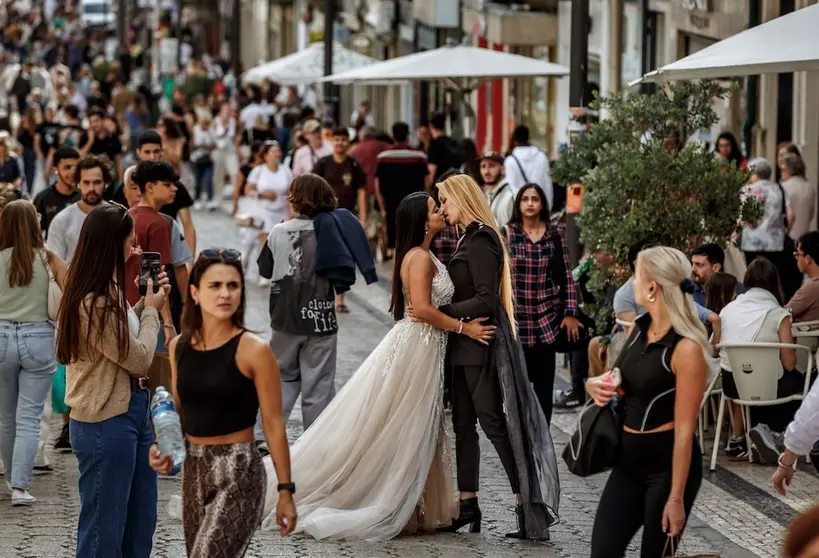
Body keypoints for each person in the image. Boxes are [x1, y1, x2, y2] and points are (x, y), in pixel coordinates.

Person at [258, 190, 494, 540]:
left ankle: (415, 501)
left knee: (415, 423)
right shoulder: (419, 258)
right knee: (403, 423)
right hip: (417, 346)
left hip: (425, 346)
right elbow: (425, 309)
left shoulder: (424, 255)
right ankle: (387, 496)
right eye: (434, 209)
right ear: (421, 220)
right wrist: (465, 327)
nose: (441, 212)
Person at [433, 173, 559, 540]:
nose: (442, 208)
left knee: (493, 425)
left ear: (462, 198)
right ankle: (468, 503)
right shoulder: (466, 238)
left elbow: (488, 299)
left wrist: (444, 310)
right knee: (462, 427)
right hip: (461, 346)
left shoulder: (483, 239)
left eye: (445, 200)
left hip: (479, 344)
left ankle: (527, 505)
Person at [149, 249, 297, 554]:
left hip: (239, 469)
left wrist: (285, 491)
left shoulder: (255, 350)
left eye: (233, 285)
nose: (225, 293)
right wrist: (160, 446)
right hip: (193, 468)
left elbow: (273, 424)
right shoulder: (178, 348)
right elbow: (178, 409)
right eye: (215, 286)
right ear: (195, 293)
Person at [56, 203, 170, 558]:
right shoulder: (92, 299)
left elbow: (120, 338)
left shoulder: (108, 288)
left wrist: (140, 305)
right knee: (105, 528)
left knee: (140, 520)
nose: (135, 248)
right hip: (105, 417)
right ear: (112, 244)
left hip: (133, 411)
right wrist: (152, 310)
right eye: (130, 241)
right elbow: (136, 358)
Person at [586, 246, 708, 557]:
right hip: (628, 463)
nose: (632, 284)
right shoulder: (640, 329)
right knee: (603, 551)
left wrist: (677, 498)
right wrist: (594, 384)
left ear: (652, 287)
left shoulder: (686, 349)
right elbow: (620, 378)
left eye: (636, 276)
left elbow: (685, 431)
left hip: (667, 469)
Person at [0, 200, 67, 505]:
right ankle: (19, 487)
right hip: (38, 338)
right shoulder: (49, 259)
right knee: (29, 416)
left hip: (1, 337)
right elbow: (68, 298)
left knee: (5, 418)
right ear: (34, 223)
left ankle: (8, 478)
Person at [503, 183, 580, 422]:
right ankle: (522, 433)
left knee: (544, 386)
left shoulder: (554, 234)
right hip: (518, 321)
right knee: (520, 385)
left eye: (534, 199)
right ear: (518, 204)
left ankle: (543, 432)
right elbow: (500, 277)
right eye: (525, 199)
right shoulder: (508, 233)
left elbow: (566, 276)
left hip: (547, 320)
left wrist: (570, 312)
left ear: (542, 204)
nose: (529, 203)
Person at [126, 160, 180, 351]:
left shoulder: (127, 216)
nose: (174, 189)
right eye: (167, 184)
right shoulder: (158, 224)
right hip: (146, 316)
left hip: (124, 311)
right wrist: (168, 324)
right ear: (149, 187)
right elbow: (156, 279)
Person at [312, 128, 368, 313]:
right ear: (331, 141)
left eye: (343, 140)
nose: (340, 143)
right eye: (336, 140)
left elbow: (360, 191)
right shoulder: (323, 163)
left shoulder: (353, 164)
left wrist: (362, 218)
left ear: (348, 142)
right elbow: (313, 188)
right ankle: (321, 295)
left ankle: (340, 299)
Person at [47, 154, 110, 264]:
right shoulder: (62, 221)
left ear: (105, 184)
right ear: (78, 184)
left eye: (97, 182)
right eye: (86, 182)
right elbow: (54, 268)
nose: (91, 188)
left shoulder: (116, 219)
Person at [32, 146, 79, 237]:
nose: (72, 172)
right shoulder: (42, 198)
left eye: (75, 167)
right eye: (67, 167)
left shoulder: (84, 196)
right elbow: (34, 235)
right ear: (56, 170)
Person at [504, 125, 553, 207]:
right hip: (538, 206)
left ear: (515, 141)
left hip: (519, 208)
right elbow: (547, 185)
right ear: (528, 138)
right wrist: (548, 207)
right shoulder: (542, 157)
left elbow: (510, 188)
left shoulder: (510, 161)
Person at [789, 231, 819, 323]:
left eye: (797, 254)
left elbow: (783, 313)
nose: (796, 258)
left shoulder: (812, 287)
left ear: (807, 259)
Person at [480, 151, 514, 227]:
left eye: (491, 166)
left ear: (502, 169)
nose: (486, 171)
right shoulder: (486, 194)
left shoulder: (511, 195)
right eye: (483, 166)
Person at [191, 114, 217, 210]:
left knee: (209, 180)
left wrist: (209, 143)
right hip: (197, 159)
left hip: (208, 159)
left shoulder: (211, 131)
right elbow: (196, 143)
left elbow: (214, 144)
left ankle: (210, 199)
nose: (205, 126)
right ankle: (197, 199)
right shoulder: (196, 129)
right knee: (198, 181)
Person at [426, 113, 460, 186]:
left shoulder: (434, 145)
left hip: (441, 185)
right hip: (455, 183)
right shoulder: (453, 143)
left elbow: (431, 171)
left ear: (431, 126)